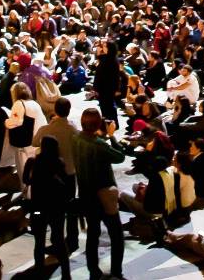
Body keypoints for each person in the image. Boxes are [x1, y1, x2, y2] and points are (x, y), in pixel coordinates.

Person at [71, 107, 127, 280]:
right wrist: (111, 135)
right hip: (103, 195)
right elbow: (120, 157)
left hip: (86, 194)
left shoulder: (76, 139)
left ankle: (93, 270)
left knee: (92, 235)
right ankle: (116, 271)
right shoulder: (99, 144)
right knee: (116, 235)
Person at [32, 96, 80, 251]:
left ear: (55, 110)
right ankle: (73, 240)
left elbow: (34, 142)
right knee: (71, 208)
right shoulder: (72, 129)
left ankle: (56, 242)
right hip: (70, 173)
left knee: (55, 212)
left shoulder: (47, 129)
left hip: (52, 177)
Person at [23, 135, 72, 279]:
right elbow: (66, 183)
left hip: (38, 206)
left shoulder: (33, 162)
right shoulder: (59, 163)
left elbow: (26, 180)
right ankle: (66, 273)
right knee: (59, 240)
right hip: (56, 207)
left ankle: (39, 271)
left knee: (39, 241)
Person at [5, 81, 47, 185]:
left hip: (26, 142)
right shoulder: (34, 103)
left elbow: (15, 121)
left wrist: (6, 122)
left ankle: (27, 192)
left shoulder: (19, 103)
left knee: (25, 168)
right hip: (38, 139)